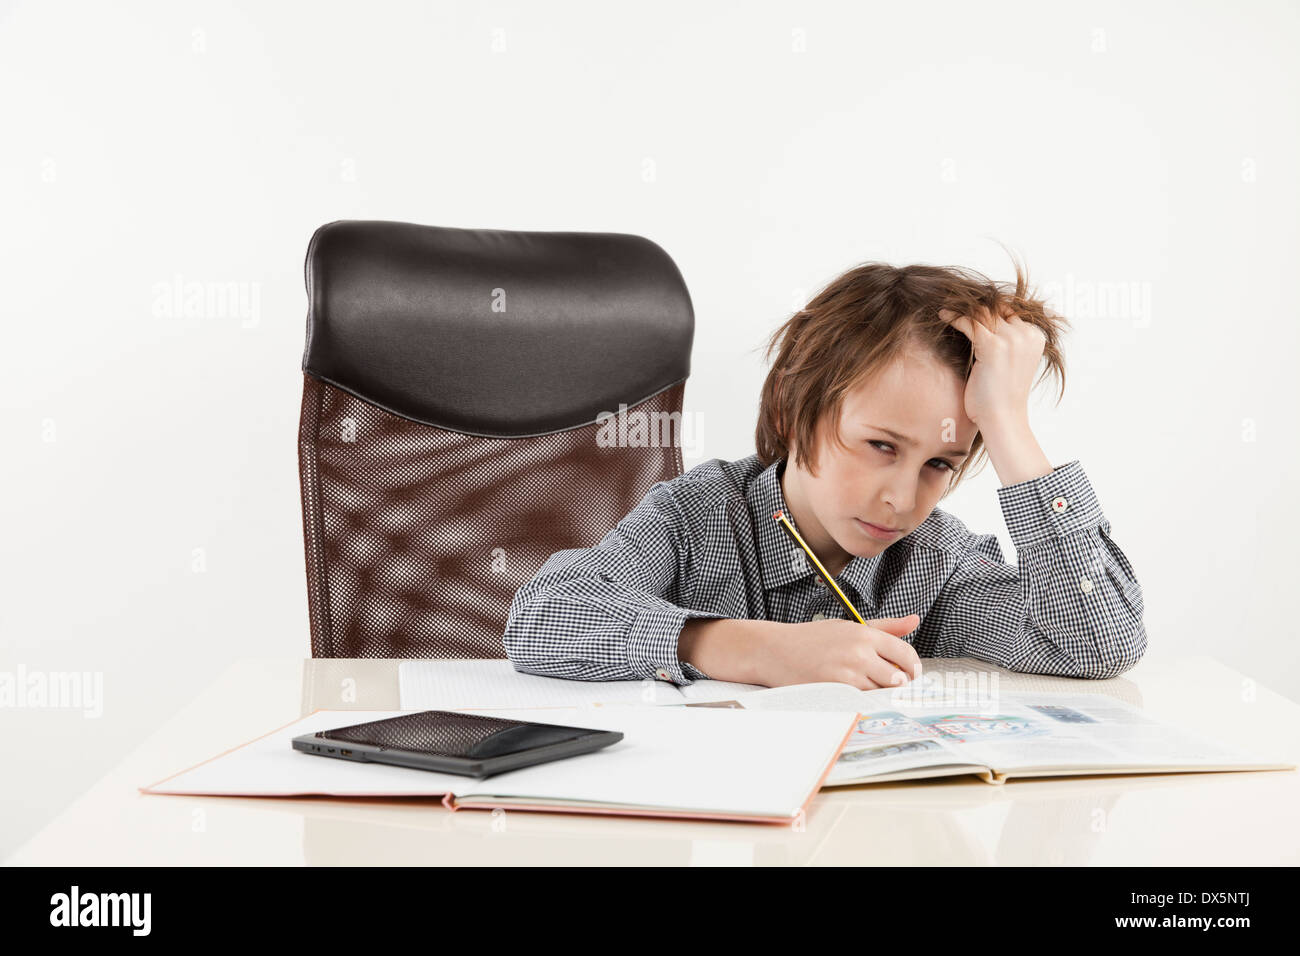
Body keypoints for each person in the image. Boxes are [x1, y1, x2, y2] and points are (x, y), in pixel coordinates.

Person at [503, 257, 1146, 689]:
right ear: (794, 411)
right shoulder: (696, 516)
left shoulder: (935, 563)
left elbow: (1100, 640)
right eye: (881, 446)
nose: (900, 500)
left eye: (939, 464)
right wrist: (758, 650)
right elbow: (538, 619)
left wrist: (1007, 422)